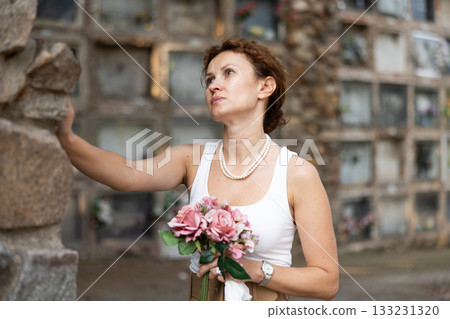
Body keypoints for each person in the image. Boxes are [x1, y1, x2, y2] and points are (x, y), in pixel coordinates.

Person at [56, 38, 339, 301]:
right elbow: (125, 174)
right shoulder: (191, 159)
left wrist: (258, 270)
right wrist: (67, 138)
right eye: (210, 79)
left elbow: (327, 282)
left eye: (228, 73)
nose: (214, 85)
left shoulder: (297, 173)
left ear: (265, 87)